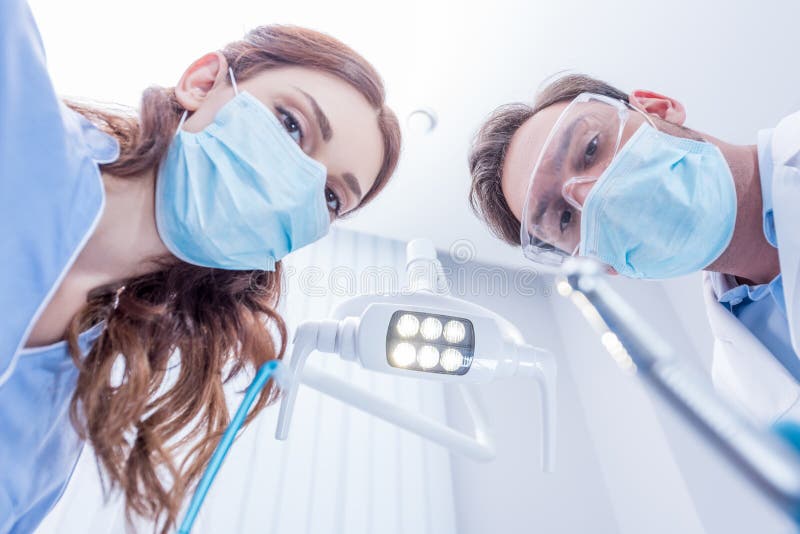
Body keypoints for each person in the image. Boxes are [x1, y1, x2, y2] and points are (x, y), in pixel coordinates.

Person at [0, 1, 401, 532]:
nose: (298, 184)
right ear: (204, 81)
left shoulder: (62, 422)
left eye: (329, 197)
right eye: (290, 125)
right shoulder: (12, 79)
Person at [467, 73, 800, 429]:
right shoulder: (741, 391)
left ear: (659, 108)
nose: (593, 196)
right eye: (565, 218)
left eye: (590, 148)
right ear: (600, 264)